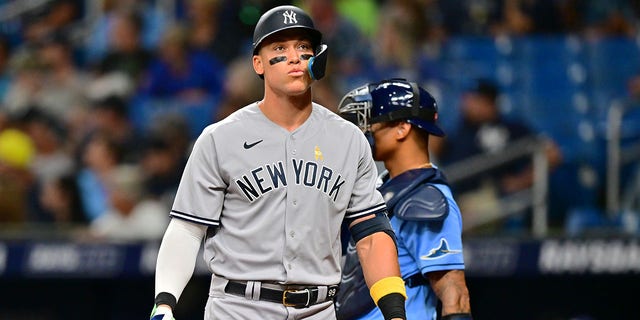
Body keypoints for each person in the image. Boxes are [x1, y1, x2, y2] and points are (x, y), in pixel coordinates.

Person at [150, 5, 406, 320]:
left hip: (320, 309)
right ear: (258, 63)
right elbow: (188, 229)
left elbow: (371, 232)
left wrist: (395, 312)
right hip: (238, 307)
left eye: (303, 47)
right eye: (280, 48)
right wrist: (164, 302)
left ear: (317, 59)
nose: (295, 56)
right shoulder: (220, 138)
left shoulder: (349, 140)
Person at [336, 79, 472, 320]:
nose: (366, 130)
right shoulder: (379, 187)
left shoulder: (425, 197)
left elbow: (455, 292)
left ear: (402, 128)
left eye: (372, 122)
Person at [431, 78, 562, 232]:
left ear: (490, 102)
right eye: (467, 98)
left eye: (475, 99)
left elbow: (553, 153)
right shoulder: (459, 130)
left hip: (493, 197)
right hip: (456, 194)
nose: (467, 104)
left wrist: (521, 181)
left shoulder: (511, 128)